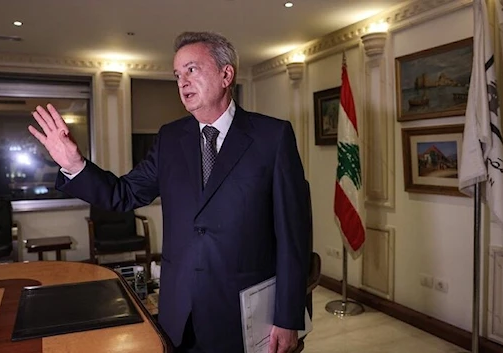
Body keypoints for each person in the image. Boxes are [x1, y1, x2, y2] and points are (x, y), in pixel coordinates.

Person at [28, 31, 310, 353]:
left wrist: (288, 318)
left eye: (192, 69)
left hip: (244, 314)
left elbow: (293, 237)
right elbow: (123, 193)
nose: (182, 82)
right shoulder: (170, 139)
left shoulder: (272, 137)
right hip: (180, 313)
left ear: (225, 74)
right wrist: (76, 165)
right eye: (177, 74)